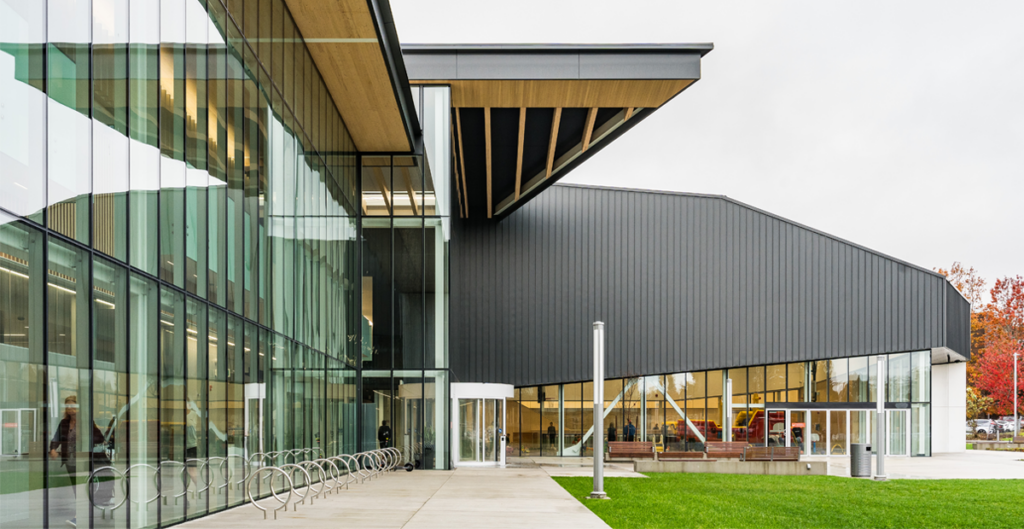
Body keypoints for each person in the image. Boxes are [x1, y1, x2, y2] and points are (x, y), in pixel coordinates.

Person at [49, 395, 112, 528]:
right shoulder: (64, 423)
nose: (70, 409)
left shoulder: (85, 422)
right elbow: (56, 437)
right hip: (70, 461)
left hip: (84, 461)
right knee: (75, 488)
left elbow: (99, 437)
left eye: (73, 406)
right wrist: (53, 448)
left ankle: (80, 515)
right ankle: (83, 513)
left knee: (82, 488)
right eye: (67, 406)